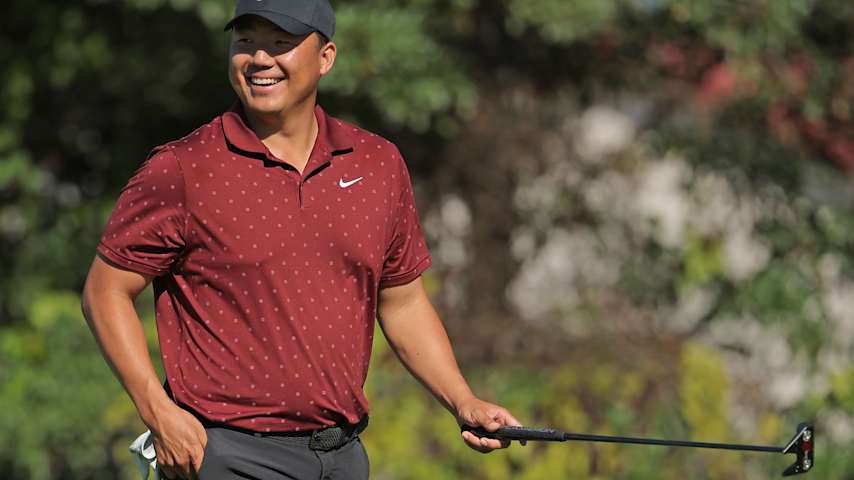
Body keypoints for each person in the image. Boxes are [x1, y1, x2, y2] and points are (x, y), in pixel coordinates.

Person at [81, 0, 521, 478]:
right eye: (245, 42)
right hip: (226, 454)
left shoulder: (377, 164)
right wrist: (158, 412)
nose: (260, 59)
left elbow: (403, 303)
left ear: (326, 57)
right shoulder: (184, 168)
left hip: (343, 456)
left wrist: (462, 400)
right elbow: (105, 292)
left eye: (281, 43)